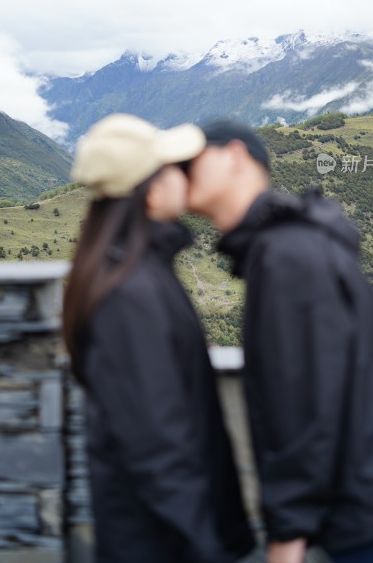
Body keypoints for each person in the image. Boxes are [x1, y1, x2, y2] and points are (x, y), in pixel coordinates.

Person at [186, 118, 373, 563]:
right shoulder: (290, 244)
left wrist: (288, 532)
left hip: (370, 500)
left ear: (235, 157)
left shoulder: (284, 256)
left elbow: (307, 396)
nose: (181, 173)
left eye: (190, 161)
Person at [62, 114, 256, 563]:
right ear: (150, 193)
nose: (182, 174)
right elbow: (156, 443)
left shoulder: (134, 274)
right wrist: (207, 547)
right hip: (166, 543)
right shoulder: (129, 295)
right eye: (171, 167)